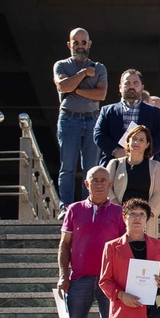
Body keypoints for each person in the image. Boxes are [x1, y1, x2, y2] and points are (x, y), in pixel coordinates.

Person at [55, 169, 121, 318]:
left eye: (104, 180)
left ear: (110, 183)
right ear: (86, 183)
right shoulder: (73, 210)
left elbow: (125, 248)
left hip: (110, 282)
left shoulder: (119, 212)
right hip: (79, 279)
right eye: (95, 180)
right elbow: (64, 245)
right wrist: (63, 275)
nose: (100, 184)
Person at [54, 27, 109, 206]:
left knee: (91, 168)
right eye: (76, 42)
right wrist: (84, 73)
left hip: (92, 119)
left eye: (83, 42)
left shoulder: (99, 67)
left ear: (89, 44)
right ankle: (66, 206)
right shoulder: (61, 65)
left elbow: (100, 95)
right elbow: (63, 86)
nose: (80, 46)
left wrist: (74, 88)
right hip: (69, 120)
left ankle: (89, 204)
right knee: (67, 167)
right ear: (69, 44)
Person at [96, 68, 160, 174]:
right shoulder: (107, 111)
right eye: (127, 83)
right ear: (120, 87)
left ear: (142, 87)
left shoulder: (154, 112)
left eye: (135, 83)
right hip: (115, 163)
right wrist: (115, 151)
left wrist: (146, 152)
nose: (131, 87)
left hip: (145, 165)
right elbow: (98, 134)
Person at [106, 126, 160, 237]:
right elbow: (107, 190)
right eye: (134, 139)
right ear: (128, 142)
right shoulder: (114, 164)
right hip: (119, 219)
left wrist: (143, 216)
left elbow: (158, 195)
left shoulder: (156, 167)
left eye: (141, 140)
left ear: (147, 144)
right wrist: (121, 212)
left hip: (146, 222)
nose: (137, 142)